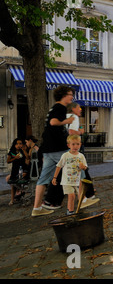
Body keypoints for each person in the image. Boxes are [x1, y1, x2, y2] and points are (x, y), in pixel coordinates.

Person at [31, 85, 75, 217]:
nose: (72, 96)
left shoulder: (53, 108)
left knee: (43, 178)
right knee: (75, 169)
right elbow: (53, 122)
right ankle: (83, 199)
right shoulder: (60, 107)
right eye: (70, 94)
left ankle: (37, 208)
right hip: (57, 148)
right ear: (63, 95)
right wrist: (68, 120)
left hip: (48, 148)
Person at [52, 135, 88, 215]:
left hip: (77, 181)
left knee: (76, 197)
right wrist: (55, 177)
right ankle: (70, 212)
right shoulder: (65, 155)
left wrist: (83, 167)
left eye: (77, 144)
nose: (75, 146)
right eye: (73, 144)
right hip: (66, 181)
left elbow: (85, 167)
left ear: (80, 144)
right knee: (71, 196)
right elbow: (59, 166)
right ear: (68, 145)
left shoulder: (81, 156)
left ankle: (74, 211)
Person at [6, 138, 28, 205]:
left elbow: (27, 158)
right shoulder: (12, 151)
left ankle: (21, 194)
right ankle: (12, 199)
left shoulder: (22, 151)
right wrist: (15, 158)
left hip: (22, 169)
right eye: (17, 143)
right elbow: (8, 161)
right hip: (14, 169)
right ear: (14, 144)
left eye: (20, 143)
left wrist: (24, 151)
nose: (19, 145)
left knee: (20, 182)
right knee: (13, 185)